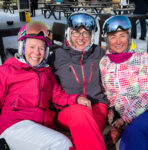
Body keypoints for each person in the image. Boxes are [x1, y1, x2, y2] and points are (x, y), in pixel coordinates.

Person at [0, 21, 91, 150]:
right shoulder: (8, 70)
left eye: (41, 48)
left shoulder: (47, 73)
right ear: (22, 47)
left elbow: (58, 96)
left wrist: (77, 99)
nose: (36, 53)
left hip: (41, 128)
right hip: (15, 125)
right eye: (31, 47)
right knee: (62, 144)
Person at [48, 12, 108, 150]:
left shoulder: (99, 53)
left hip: (97, 106)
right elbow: (45, 80)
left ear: (91, 35)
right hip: (68, 109)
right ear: (69, 33)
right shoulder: (57, 56)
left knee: (86, 134)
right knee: (81, 116)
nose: (80, 38)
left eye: (85, 33)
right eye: (76, 33)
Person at [100, 15, 148, 150]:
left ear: (128, 36)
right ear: (107, 39)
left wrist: (127, 116)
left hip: (145, 109)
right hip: (122, 112)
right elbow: (109, 93)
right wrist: (113, 112)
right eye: (113, 37)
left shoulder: (141, 58)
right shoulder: (105, 62)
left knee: (135, 130)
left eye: (122, 35)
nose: (118, 41)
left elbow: (147, 94)